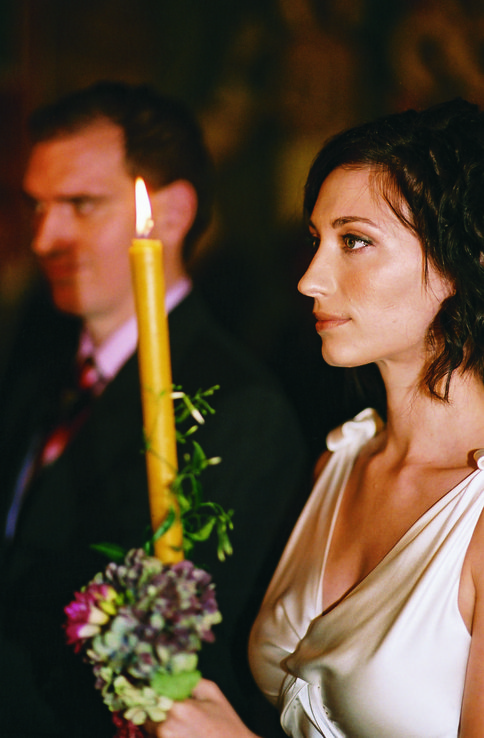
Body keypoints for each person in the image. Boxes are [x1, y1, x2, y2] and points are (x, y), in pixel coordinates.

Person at [153, 97, 484, 737]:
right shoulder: (339, 460)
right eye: (316, 240)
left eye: (355, 241)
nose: (309, 279)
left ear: (464, 259)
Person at [0, 81, 307, 738]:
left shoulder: (238, 407)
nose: (46, 235)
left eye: (80, 205)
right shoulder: (38, 362)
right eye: (36, 206)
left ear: (169, 214)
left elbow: (172, 655)